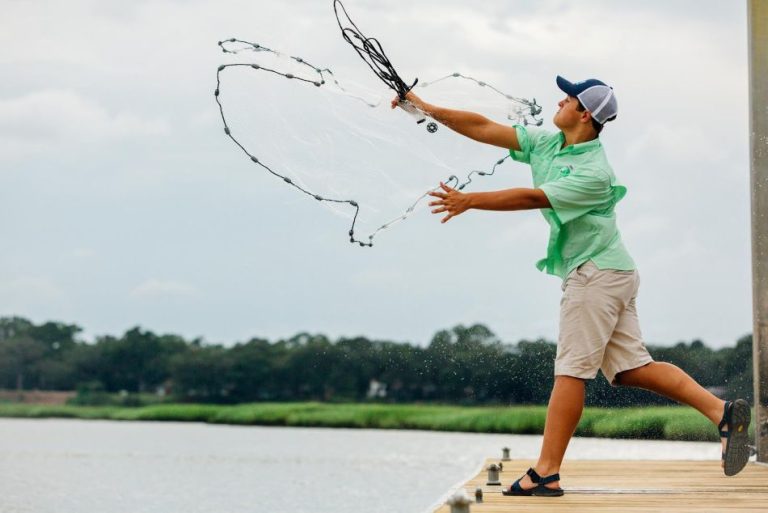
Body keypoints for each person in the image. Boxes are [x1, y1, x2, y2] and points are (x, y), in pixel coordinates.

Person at [392, 76, 752, 497]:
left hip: (595, 275)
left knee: (570, 372)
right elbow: (484, 128)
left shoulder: (594, 173)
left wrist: (471, 200)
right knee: (630, 370)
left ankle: (546, 471)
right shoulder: (549, 143)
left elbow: (533, 198)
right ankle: (721, 412)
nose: (558, 101)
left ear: (584, 113)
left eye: (568, 97)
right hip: (611, 272)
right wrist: (425, 107)